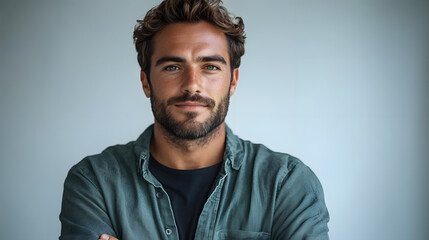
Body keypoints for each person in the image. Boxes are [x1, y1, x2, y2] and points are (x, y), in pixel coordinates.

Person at [59, 0, 330, 239]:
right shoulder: (94, 183)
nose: (192, 85)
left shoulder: (286, 184)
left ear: (232, 81)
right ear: (146, 82)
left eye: (210, 67)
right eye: (173, 67)